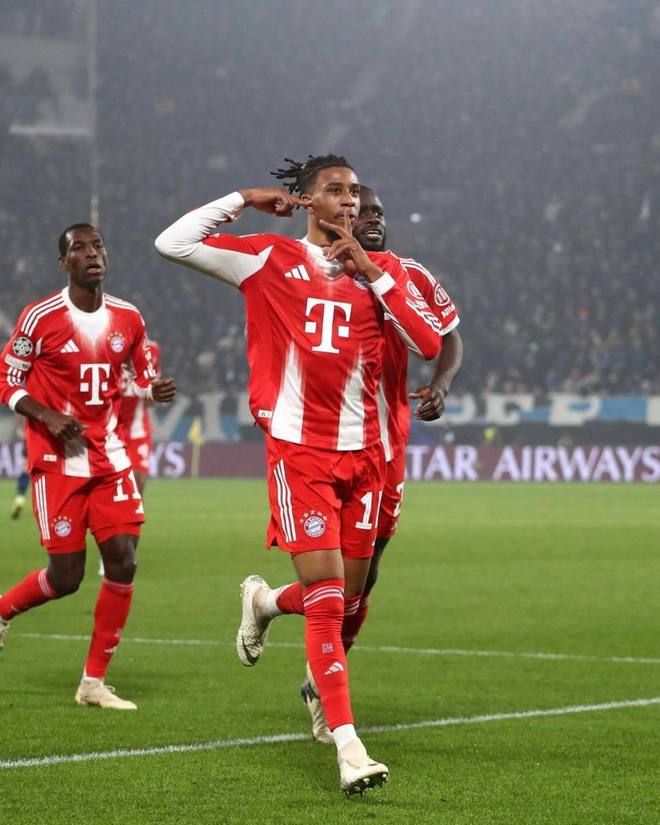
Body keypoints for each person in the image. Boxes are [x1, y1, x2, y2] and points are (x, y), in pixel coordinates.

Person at [155, 153, 442, 795]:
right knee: (329, 601)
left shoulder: (383, 269)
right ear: (308, 200)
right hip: (301, 455)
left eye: (354, 192)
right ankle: (349, 746)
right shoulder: (267, 258)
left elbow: (427, 344)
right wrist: (243, 198)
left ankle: (263, 602)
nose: (350, 201)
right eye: (335, 190)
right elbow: (172, 243)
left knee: (349, 598)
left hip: (367, 458)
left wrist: (370, 271)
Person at [300, 186, 463, 743]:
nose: (371, 218)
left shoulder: (407, 274)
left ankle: (320, 670)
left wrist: (441, 384)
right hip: (331, 445)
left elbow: (448, 336)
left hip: (389, 446)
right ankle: (323, 683)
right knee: (337, 580)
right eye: (362, 211)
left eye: (379, 212)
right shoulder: (321, 274)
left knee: (365, 576)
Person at [0, 223, 176, 709]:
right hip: (58, 460)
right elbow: (7, 379)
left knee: (124, 560)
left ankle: (93, 683)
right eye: (79, 248)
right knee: (66, 578)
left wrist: (153, 391)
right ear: (64, 263)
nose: (92, 253)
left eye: (97, 245)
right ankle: (3, 610)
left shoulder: (128, 317)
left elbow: (136, 380)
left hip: (109, 456)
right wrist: (46, 415)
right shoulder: (40, 317)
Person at [117, 339, 162, 493]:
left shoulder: (152, 351)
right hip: (110, 430)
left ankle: (136, 509)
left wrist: (153, 391)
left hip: (138, 431)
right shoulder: (106, 348)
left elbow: (151, 400)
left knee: (138, 480)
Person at [10, 414, 30, 519]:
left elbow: (18, 414)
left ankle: (20, 499)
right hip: (38, 442)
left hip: (28, 442)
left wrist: (20, 429)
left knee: (25, 470)